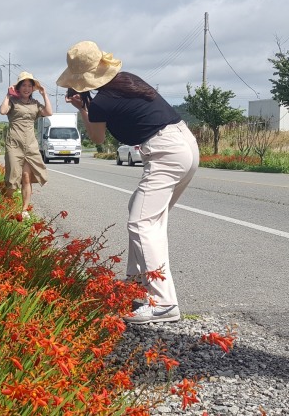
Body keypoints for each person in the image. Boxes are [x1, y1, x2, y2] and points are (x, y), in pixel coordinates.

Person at [57, 40, 200, 325]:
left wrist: (82, 108)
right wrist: (87, 103)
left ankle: (163, 303)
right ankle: (134, 286)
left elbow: (97, 139)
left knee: (141, 223)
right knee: (144, 213)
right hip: (185, 144)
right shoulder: (128, 81)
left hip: (165, 153)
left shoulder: (102, 102)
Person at [0, 71, 53, 219]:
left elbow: (49, 112)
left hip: (30, 144)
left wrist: (44, 94)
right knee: (12, 179)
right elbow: (3, 111)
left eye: (30, 85)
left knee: (26, 177)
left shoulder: (35, 104)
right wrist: (8, 95)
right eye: (24, 85)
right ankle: (6, 201)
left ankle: (24, 210)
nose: (27, 88)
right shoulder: (12, 101)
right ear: (19, 87)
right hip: (14, 144)